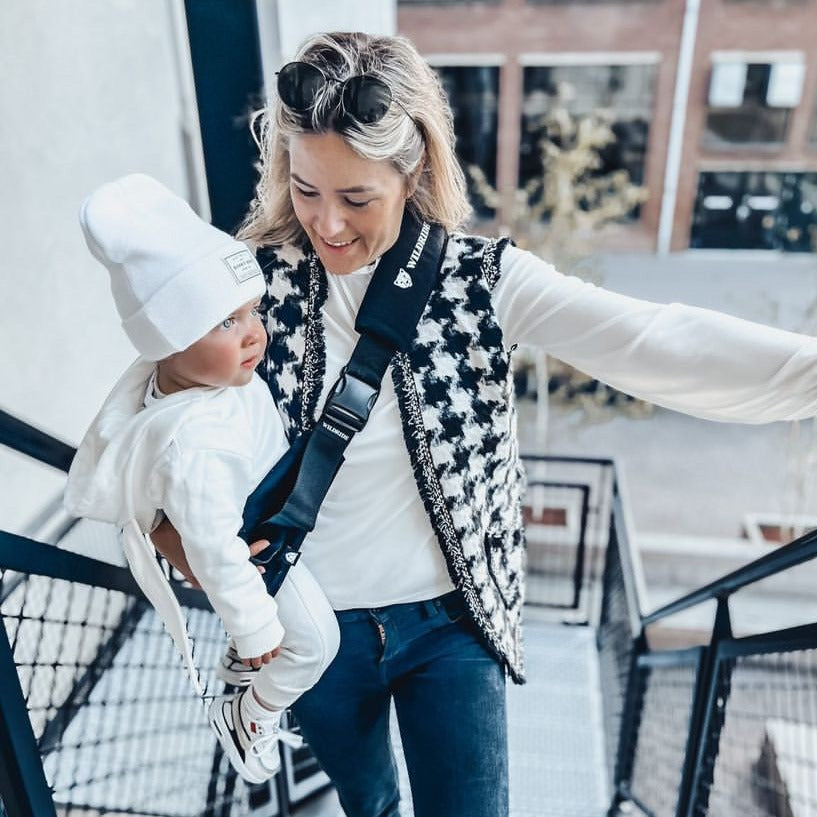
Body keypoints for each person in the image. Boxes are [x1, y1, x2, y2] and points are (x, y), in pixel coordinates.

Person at [152, 31, 817, 817]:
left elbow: (657, 338)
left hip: (449, 624)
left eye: (356, 198)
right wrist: (191, 548)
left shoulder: (480, 281)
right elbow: (151, 430)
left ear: (411, 172)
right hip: (309, 621)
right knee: (367, 802)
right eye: (305, 189)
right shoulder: (243, 280)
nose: (326, 223)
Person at [64, 173, 340, 786]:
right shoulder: (197, 444)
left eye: (251, 312)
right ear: (168, 340)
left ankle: (242, 669)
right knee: (317, 644)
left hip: (262, 508)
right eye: (224, 323)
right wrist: (253, 625)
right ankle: (248, 715)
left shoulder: (199, 379)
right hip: (251, 544)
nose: (254, 332)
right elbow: (213, 548)